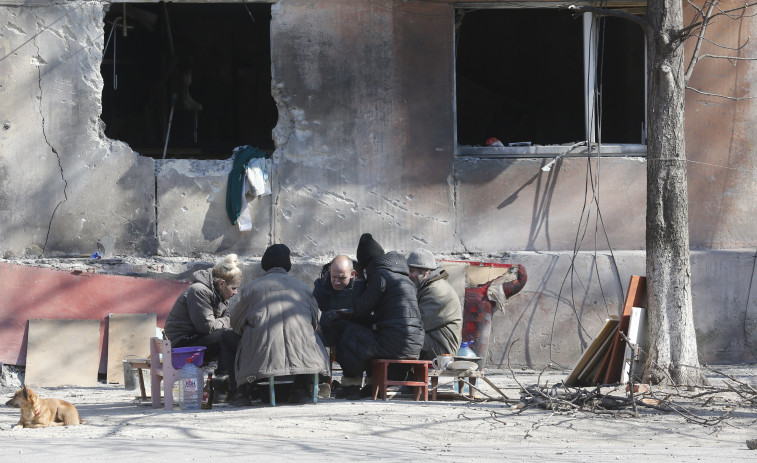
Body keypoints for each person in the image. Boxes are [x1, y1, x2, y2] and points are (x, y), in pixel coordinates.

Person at [231, 244, 330, 405]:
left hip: (262, 359)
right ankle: (301, 389)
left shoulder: (251, 289)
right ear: (288, 265)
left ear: (264, 265)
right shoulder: (303, 288)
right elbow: (315, 321)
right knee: (309, 336)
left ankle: (241, 393)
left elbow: (236, 324)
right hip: (305, 359)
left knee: (229, 338)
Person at [329, 233, 424, 399]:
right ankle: (372, 384)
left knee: (348, 333)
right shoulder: (404, 278)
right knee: (366, 334)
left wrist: (359, 280)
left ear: (366, 265)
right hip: (415, 344)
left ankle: (351, 386)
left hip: (395, 344)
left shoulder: (380, 276)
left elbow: (360, 312)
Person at [164, 254, 243, 401]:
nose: (235, 292)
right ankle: (222, 387)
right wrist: (231, 320)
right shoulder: (198, 291)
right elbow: (208, 327)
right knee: (226, 336)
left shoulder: (219, 294)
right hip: (182, 345)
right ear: (221, 284)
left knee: (230, 337)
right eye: (233, 288)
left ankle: (227, 388)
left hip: (195, 339)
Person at [407, 248, 463, 360]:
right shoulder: (425, 286)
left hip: (441, 349)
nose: (409, 275)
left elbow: (417, 324)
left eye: (412, 271)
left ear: (426, 272)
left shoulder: (437, 292)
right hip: (431, 341)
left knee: (398, 336)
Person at [312, 255, 356, 347]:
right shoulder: (320, 287)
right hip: (325, 337)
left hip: (352, 339)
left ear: (352, 274)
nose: (337, 282)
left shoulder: (361, 287)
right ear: (329, 270)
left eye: (342, 278)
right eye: (334, 277)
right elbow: (312, 314)